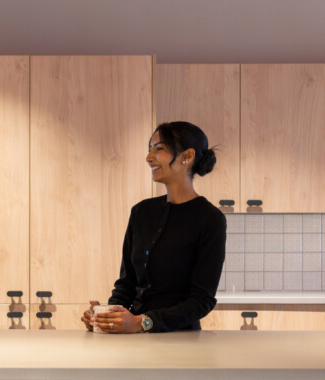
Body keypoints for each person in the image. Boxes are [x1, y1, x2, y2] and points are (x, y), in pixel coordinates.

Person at [83, 121, 226, 333]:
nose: (149, 158)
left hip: (182, 342)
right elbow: (126, 284)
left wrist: (143, 322)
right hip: (136, 338)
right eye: (149, 149)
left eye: (159, 149)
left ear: (187, 156)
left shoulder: (210, 219)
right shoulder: (141, 212)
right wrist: (106, 316)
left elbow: (201, 301)